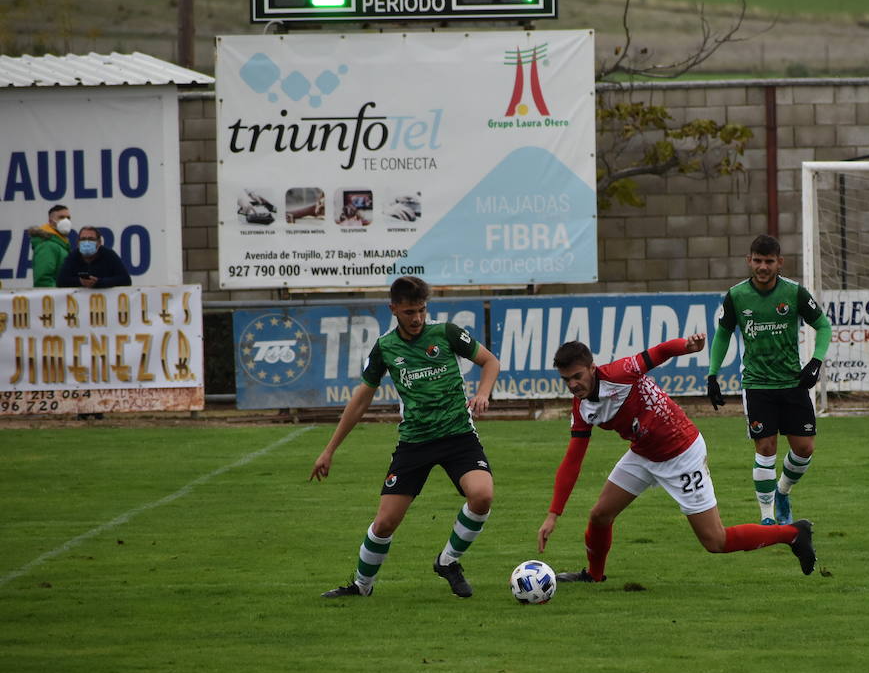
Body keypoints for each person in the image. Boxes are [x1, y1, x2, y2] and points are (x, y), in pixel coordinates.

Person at [537, 336, 817, 583]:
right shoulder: (582, 407)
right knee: (600, 515)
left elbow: (657, 353)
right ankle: (594, 576)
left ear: (591, 369)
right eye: (566, 380)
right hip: (644, 453)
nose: (573, 385)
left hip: (682, 453)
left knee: (715, 541)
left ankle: (792, 533)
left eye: (577, 376)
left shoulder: (620, 373)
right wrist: (553, 514)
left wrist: (686, 346)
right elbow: (573, 460)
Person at [311, 275, 500, 599]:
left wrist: (483, 393)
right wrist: (329, 450)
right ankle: (361, 586)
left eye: (422, 311)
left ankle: (448, 562)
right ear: (394, 309)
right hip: (415, 442)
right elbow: (361, 400)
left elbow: (489, 361)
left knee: (482, 495)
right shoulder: (386, 347)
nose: (417, 318)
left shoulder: (446, 333)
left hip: (458, 435)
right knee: (385, 523)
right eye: (410, 312)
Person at [706, 234, 833, 526]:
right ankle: (766, 518)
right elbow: (723, 334)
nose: (763, 267)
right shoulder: (736, 295)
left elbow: (823, 326)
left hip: (792, 381)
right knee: (765, 448)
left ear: (779, 263)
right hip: (757, 383)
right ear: (749, 261)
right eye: (758, 261)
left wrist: (815, 361)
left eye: (769, 261)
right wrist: (713, 374)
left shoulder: (794, 293)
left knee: (804, 449)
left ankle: (782, 491)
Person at [56, 227, 132, 289]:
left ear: (99, 242)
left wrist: (99, 282)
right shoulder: (73, 256)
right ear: (78, 243)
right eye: (83, 239)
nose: (87, 242)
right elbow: (61, 281)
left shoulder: (109, 255)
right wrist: (80, 282)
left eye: (91, 239)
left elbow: (126, 280)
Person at [29, 204, 73, 288]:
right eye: (61, 217)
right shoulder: (47, 245)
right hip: (54, 299)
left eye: (68, 218)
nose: (66, 221)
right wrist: (59, 296)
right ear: (50, 221)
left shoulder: (60, 244)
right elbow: (43, 280)